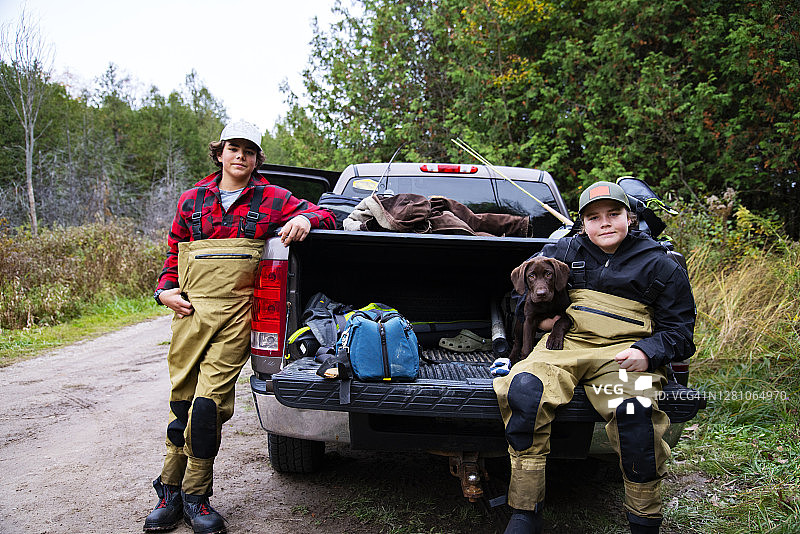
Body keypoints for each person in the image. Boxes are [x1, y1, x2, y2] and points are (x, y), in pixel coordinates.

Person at [144, 120, 335, 534]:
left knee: (208, 408)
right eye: (234, 148)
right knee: (182, 405)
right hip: (189, 317)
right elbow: (173, 253)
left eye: (249, 151)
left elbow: (324, 214)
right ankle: (169, 491)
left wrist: (306, 221)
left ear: (256, 158)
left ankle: (197, 496)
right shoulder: (192, 199)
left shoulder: (272, 197)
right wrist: (163, 291)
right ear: (220, 152)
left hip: (235, 318)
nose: (241, 156)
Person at [493, 181, 695, 534]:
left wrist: (647, 352)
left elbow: (680, 332)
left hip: (623, 355)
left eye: (613, 214)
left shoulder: (661, 265)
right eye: (593, 216)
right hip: (564, 347)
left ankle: (644, 519)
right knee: (525, 391)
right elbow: (521, 293)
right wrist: (540, 319)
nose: (604, 223)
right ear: (582, 222)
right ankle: (525, 510)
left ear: (630, 218)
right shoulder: (564, 251)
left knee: (636, 416)